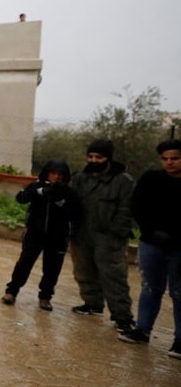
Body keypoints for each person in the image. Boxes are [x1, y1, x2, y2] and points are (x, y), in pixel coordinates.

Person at [117, 139, 181, 358]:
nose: (170, 163)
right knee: (150, 288)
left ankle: (179, 341)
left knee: (179, 292)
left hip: (179, 248)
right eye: (165, 159)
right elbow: (137, 206)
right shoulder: (151, 179)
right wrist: (151, 230)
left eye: (175, 158)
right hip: (151, 243)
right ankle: (142, 330)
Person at [69, 138, 137, 332]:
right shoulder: (81, 179)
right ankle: (92, 304)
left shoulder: (123, 181)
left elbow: (127, 210)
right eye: (90, 156)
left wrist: (115, 232)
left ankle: (122, 317)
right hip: (81, 233)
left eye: (99, 157)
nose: (94, 160)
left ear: (108, 158)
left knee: (113, 276)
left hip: (109, 237)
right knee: (83, 271)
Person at [0, 159, 81, 311]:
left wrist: (60, 202)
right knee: (24, 263)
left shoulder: (69, 192)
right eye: (53, 173)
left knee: (52, 268)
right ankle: (11, 291)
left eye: (60, 174)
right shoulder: (36, 186)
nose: (56, 177)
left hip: (57, 237)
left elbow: (75, 214)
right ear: (47, 173)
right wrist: (40, 192)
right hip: (34, 234)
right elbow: (21, 198)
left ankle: (45, 297)